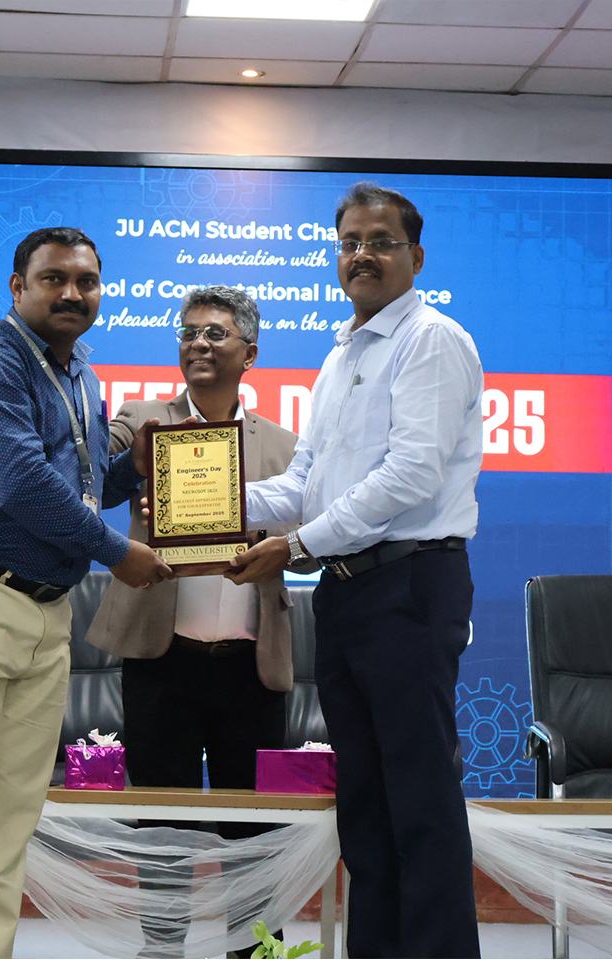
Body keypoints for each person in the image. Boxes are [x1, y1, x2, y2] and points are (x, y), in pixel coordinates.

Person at [0, 227, 174, 958]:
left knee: (10, 816)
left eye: (86, 281)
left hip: (48, 611)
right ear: (18, 288)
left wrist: (137, 469)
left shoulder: (82, 375)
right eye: (54, 279)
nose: (72, 293)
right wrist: (118, 553)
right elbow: (19, 482)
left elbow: (81, 488)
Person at [228, 183, 484, 958]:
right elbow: (304, 484)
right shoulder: (342, 355)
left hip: (409, 586)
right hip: (346, 595)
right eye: (349, 243)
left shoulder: (431, 340)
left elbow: (411, 475)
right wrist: (206, 506)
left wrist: (296, 546)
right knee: (365, 810)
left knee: (420, 802)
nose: (362, 255)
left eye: (380, 241)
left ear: (416, 256)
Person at [85, 285, 296, 957]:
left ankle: (255, 950)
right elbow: (92, 483)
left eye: (215, 333)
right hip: (162, 656)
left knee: (254, 827)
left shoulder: (285, 445)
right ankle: (162, 947)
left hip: (251, 663)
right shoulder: (142, 419)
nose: (198, 343)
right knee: (161, 822)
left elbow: (314, 534)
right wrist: (132, 470)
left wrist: (278, 547)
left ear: (249, 354)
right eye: (188, 333)